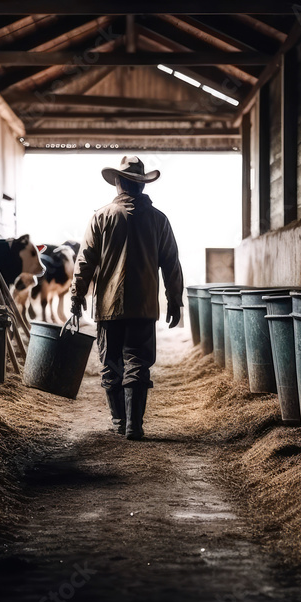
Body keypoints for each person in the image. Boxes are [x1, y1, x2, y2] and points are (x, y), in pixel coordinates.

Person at [69, 156, 184, 440]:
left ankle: (119, 421)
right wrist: (174, 299)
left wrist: (76, 296)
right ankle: (135, 425)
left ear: (118, 183)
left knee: (111, 364)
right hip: (144, 307)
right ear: (142, 186)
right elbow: (171, 263)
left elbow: (85, 262)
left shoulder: (102, 217)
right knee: (138, 363)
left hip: (109, 307)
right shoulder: (159, 220)